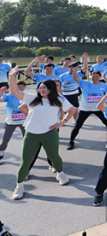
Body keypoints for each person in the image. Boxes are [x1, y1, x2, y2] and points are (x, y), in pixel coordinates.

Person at [9, 67, 76, 200]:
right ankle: (19, 186)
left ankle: (60, 173)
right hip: (31, 134)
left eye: (45, 88)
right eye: (40, 87)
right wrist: (11, 76)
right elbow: (15, 91)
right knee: (26, 161)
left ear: (51, 88)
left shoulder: (59, 99)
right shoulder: (32, 98)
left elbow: (72, 110)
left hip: (49, 133)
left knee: (54, 157)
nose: (42, 90)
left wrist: (61, 123)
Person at [67, 54, 107, 150]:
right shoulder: (85, 83)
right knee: (78, 126)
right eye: (93, 76)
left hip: (98, 109)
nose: (94, 78)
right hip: (85, 109)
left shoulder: (103, 85)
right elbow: (75, 78)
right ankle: (71, 141)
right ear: (90, 77)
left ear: (99, 77)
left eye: (96, 76)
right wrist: (74, 69)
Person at [0, 84, 26, 160]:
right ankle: (1, 152)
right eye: (19, 86)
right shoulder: (8, 96)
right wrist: (1, 92)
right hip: (11, 123)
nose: (20, 88)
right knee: (5, 140)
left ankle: (28, 154)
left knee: (27, 140)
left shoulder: (26, 96)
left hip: (24, 123)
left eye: (22, 86)